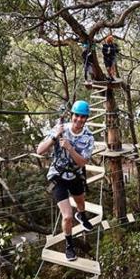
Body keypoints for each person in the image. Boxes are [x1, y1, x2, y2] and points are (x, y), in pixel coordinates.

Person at [37, 100, 95, 261]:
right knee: (67, 216)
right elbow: (40, 150)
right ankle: (69, 245)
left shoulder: (88, 137)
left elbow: (83, 162)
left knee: (81, 203)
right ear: (72, 115)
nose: (79, 119)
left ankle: (82, 215)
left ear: (86, 119)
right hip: (58, 176)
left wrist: (70, 148)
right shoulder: (60, 129)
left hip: (75, 174)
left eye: (83, 117)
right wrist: (54, 137)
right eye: (77, 115)